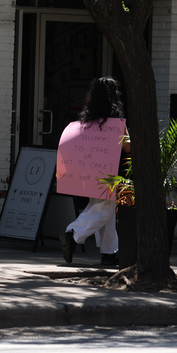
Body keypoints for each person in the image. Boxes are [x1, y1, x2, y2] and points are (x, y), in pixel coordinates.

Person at [59, 76, 131, 266]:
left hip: (89, 172)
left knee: (104, 209)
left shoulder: (86, 120)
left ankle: (109, 252)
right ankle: (73, 234)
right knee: (105, 210)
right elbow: (127, 148)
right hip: (108, 173)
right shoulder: (116, 121)